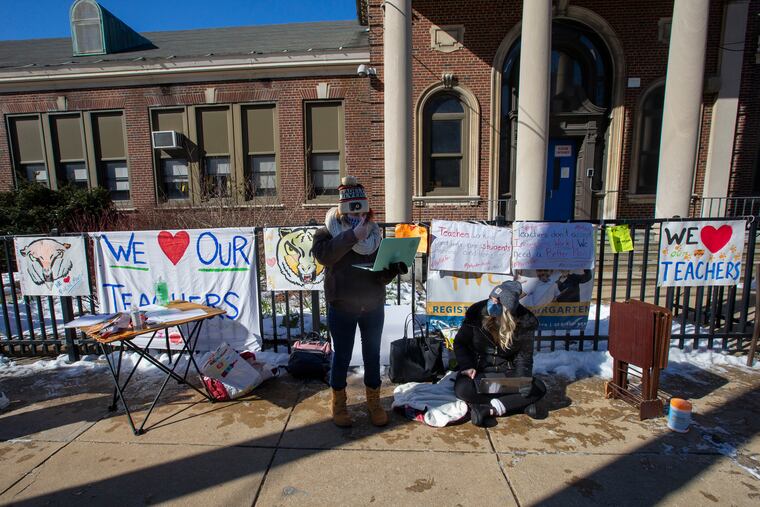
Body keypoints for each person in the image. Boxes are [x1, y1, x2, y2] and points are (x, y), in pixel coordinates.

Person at [311, 175, 407, 428]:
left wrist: (394, 267)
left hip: (372, 306)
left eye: (362, 209)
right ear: (342, 208)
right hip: (342, 306)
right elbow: (325, 257)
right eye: (352, 209)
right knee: (341, 356)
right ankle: (339, 403)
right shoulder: (325, 232)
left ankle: (373, 403)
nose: (358, 214)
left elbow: (380, 275)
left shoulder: (374, 234)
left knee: (372, 355)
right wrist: (352, 235)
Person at [453, 280, 547, 427]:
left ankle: (490, 409)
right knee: (462, 389)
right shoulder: (476, 314)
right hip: (479, 372)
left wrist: (522, 379)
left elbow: (524, 357)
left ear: (507, 309)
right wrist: (467, 366)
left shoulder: (524, 323)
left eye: (496, 301)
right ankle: (517, 405)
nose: (491, 303)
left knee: (538, 387)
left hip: (507, 374)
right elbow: (460, 343)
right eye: (491, 298)